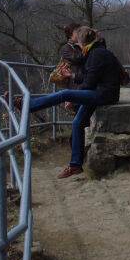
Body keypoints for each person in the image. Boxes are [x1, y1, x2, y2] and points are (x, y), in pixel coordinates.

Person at [13, 26, 120, 178]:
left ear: (82, 43)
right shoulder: (95, 52)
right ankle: (75, 165)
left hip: (103, 95)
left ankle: (28, 105)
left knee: (64, 94)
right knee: (77, 123)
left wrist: (73, 96)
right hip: (100, 92)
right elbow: (89, 78)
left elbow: (89, 83)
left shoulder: (96, 54)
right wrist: (72, 76)